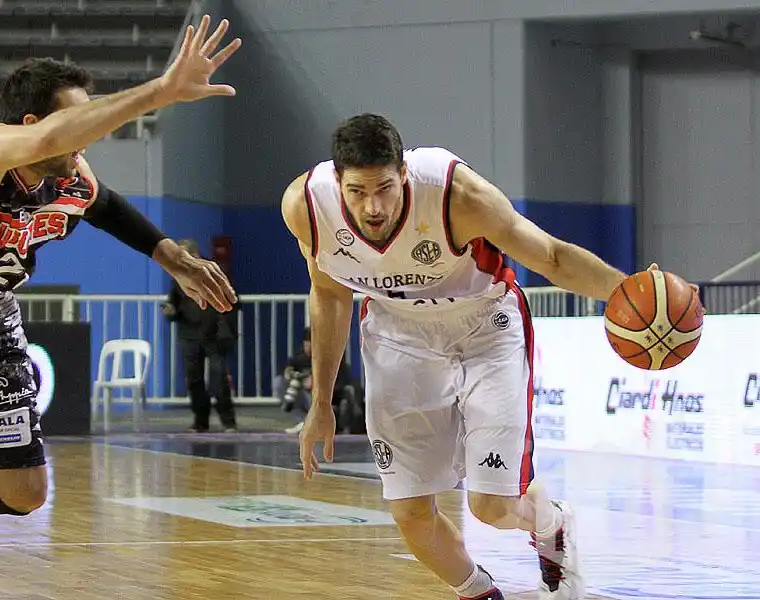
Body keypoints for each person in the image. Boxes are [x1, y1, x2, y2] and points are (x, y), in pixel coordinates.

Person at [0, 15, 240, 600]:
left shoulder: (67, 170)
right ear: (35, 123)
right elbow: (43, 143)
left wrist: (170, 255)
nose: (85, 141)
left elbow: (103, 203)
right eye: (74, 122)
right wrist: (161, 92)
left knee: (25, 492)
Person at [281, 114, 682, 600]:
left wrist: (628, 290)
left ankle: (550, 524)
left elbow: (551, 257)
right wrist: (321, 400)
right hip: (397, 337)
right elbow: (328, 295)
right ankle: (478, 592)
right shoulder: (305, 207)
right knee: (409, 512)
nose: (372, 206)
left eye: (384, 188)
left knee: (492, 506)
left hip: (484, 328)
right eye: (358, 191)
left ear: (404, 174)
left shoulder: (456, 196)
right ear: (338, 182)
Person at [162, 239, 238, 432]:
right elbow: (174, 302)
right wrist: (170, 310)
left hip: (213, 334)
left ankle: (228, 421)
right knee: (194, 379)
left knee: (219, 378)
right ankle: (200, 420)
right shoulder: (178, 278)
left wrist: (226, 325)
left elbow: (232, 300)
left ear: (195, 255)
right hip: (189, 334)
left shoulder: (211, 272)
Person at [274, 326, 354, 434]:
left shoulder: (333, 359)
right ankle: (305, 422)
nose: (309, 347)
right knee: (279, 382)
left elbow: (343, 383)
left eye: (312, 343)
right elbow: (287, 370)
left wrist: (318, 383)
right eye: (306, 343)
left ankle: (325, 424)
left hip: (328, 402)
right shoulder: (300, 358)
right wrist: (293, 376)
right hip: (308, 400)